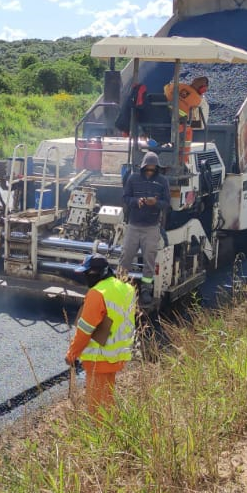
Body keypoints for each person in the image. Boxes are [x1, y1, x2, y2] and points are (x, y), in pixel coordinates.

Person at [65, 255, 137, 414]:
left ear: (98, 273)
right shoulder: (127, 288)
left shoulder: (97, 293)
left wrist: (72, 354)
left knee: (96, 408)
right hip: (118, 355)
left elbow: (85, 330)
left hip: (99, 358)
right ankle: (110, 433)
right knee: (108, 402)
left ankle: (102, 436)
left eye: (87, 274)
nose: (85, 278)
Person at [118, 151, 170, 305]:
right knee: (126, 255)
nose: (150, 171)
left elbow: (167, 203)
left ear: (157, 168)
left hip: (152, 227)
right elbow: (125, 198)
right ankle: (120, 285)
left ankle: (146, 289)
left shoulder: (162, 181)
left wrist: (156, 203)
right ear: (143, 167)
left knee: (149, 259)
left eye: (153, 169)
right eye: (148, 168)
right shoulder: (133, 178)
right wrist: (137, 201)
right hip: (133, 225)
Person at [164, 75, 210, 162]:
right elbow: (201, 124)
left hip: (158, 121)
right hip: (176, 126)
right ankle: (183, 161)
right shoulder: (198, 100)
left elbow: (165, 89)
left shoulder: (176, 86)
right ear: (203, 89)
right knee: (188, 130)